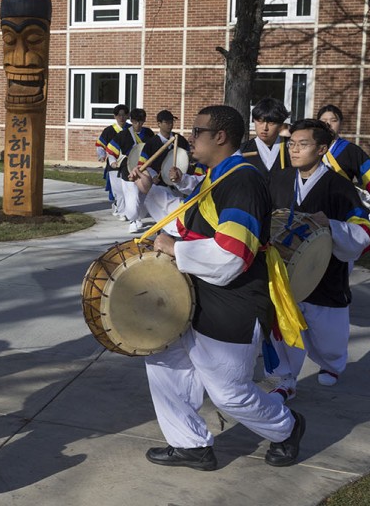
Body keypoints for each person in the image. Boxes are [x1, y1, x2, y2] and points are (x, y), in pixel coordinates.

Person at [144, 105, 305, 471]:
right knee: (164, 362)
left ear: (220, 136)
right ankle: (190, 445)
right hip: (195, 295)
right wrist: (149, 190)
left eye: (197, 131)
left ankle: (287, 427)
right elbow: (187, 222)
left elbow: (233, 255)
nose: (190, 138)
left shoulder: (242, 181)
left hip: (232, 301)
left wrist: (175, 249)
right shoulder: (217, 176)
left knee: (228, 393)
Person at [266, 118, 370, 400]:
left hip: (324, 272)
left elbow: (363, 233)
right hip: (283, 272)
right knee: (285, 326)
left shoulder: (339, 187)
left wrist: (332, 225)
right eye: (291, 144)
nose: (295, 150)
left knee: (328, 335)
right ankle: (286, 379)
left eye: (303, 145)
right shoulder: (278, 179)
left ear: (322, 148)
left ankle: (331, 363)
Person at [105, 108, 153, 232]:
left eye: (141, 121)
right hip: (128, 169)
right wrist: (112, 161)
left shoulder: (149, 133)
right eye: (136, 121)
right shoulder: (124, 134)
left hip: (144, 170)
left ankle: (138, 218)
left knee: (143, 197)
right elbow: (110, 150)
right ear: (131, 120)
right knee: (132, 196)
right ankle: (132, 220)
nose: (139, 124)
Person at [241, 98, 294, 179]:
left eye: (271, 123)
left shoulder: (291, 148)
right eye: (260, 121)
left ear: (280, 124)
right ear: (254, 120)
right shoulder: (243, 150)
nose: (265, 128)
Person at [95, 105, 129, 209]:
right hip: (113, 163)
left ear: (128, 116)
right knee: (116, 188)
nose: (122, 118)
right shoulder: (109, 131)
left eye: (124, 115)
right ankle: (117, 205)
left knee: (127, 188)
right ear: (115, 116)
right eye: (119, 115)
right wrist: (102, 155)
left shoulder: (131, 130)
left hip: (128, 164)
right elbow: (100, 145)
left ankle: (125, 207)